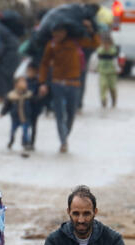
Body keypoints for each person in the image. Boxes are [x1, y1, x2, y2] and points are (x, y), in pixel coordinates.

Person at [37, 22, 100, 152]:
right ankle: (63, 141)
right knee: (59, 115)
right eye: (55, 32)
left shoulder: (76, 42)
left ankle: (65, 137)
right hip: (57, 84)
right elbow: (44, 64)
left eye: (60, 32)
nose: (57, 35)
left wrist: (91, 30)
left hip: (74, 85)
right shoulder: (52, 45)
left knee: (71, 115)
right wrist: (43, 83)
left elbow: (95, 44)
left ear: (66, 32)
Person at [0, 76, 34, 151]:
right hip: (15, 117)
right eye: (21, 82)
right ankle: (11, 141)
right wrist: (2, 113)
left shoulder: (29, 95)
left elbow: (34, 105)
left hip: (25, 117)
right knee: (13, 130)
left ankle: (25, 143)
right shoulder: (11, 95)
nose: (23, 84)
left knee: (25, 130)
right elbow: (7, 105)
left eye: (24, 82)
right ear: (16, 84)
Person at [96, 32, 119, 108]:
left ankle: (114, 99)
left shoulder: (113, 49)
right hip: (102, 71)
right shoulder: (100, 49)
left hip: (112, 72)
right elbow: (98, 53)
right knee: (103, 85)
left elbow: (114, 53)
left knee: (112, 87)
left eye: (107, 43)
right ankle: (103, 100)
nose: (106, 45)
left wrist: (108, 49)